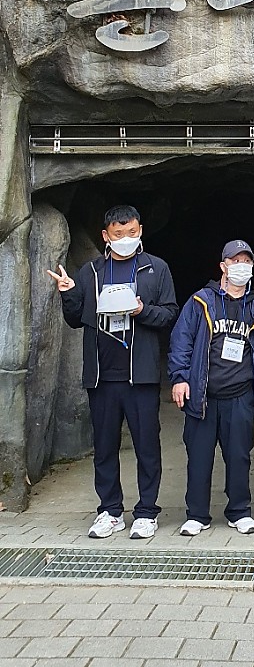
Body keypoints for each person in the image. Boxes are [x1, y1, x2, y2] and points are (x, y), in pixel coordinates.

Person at [49, 203, 178, 540]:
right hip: (102, 376)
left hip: (141, 375)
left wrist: (141, 310)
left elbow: (169, 314)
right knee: (104, 447)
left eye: (132, 232)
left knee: (147, 446)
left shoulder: (156, 268)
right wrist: (68, 293)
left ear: (140, 231)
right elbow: (75, 319)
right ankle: (110, 511)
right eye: (119, 234)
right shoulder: (90, 272)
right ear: (106, 236)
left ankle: (147, 512)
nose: (126, 238)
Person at [168, 238, 254, 535]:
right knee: (199, 458)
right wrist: (179, 377)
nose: (241, 267)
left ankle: (239, 512)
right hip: (203, 395)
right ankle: (197, 515)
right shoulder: (201, 301)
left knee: (239, 458)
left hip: (240, 397)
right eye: (235, 261)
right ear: (223, 266)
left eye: (247, 262)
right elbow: (181, 341)